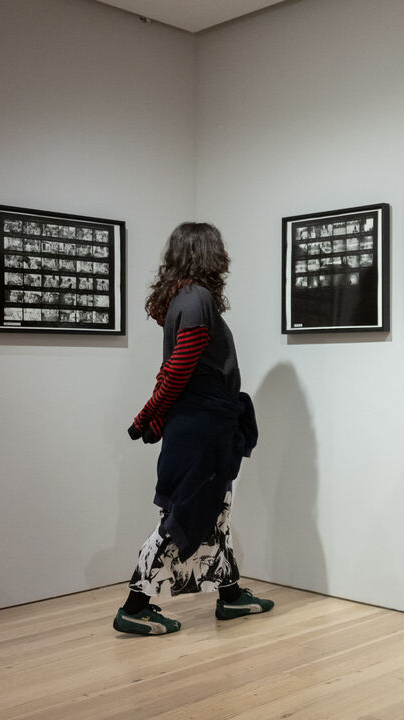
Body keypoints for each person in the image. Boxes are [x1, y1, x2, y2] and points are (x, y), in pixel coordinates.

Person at [114, 222, 271, 635]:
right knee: (183, 516)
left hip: (203, 423)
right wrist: (149, 413)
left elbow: (174, 369)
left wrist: (154, 414)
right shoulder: (197, 298)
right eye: (220, 248)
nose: (225, 256)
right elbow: (179, 369)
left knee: (214, 513)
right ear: (206, 253)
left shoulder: (185, 298)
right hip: (203, 428)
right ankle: (134, 606)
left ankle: (231, 596)